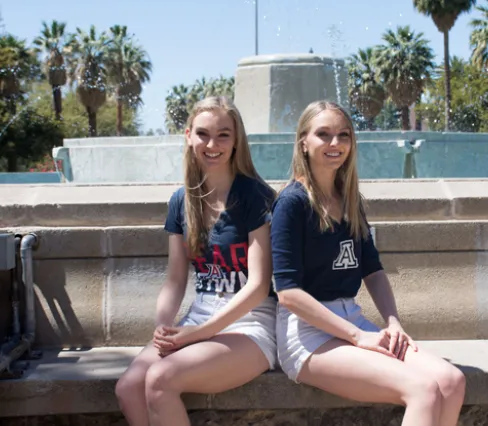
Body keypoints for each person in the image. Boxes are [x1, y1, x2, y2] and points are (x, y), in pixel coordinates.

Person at [271, 101, 466, 426]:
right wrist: (358, 337)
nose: (335, 144)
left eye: (343, 135)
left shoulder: (349, 199)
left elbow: (373, 271)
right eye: (324, 134)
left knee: (451, 381)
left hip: (352, 320)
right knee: (423, 390)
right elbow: (288, 293)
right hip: (306, 334)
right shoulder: (291, 203)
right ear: (303, 141)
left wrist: (393, 323)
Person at [115, 96, 277, 426]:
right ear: (188, 136)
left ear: (236, 141)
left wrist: (200, 333)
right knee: (128, 387)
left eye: (223, 135)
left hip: (251, 323)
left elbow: (259, 287)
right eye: (203, 133)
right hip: (199, 318)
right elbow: (175, 279)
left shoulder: (254, 196)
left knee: (160, 380)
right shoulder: (181, 200)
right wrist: (164, 325)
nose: (212, 144)